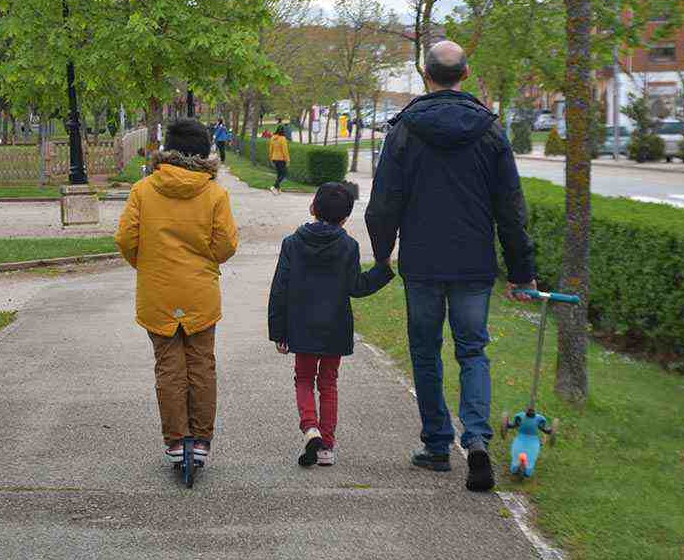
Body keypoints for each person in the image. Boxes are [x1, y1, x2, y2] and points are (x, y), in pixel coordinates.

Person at [365, 40, 537, 493]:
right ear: (465, 73)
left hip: (422, 261)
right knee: (472, 351)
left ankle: (438, 445)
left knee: (425, 351)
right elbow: (511, 208)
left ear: (426, 74)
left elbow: (383, 201)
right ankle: (476, 439)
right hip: (473, 261)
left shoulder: (404, 130)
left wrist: (383, 252)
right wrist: (521, 271)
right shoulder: (490, 132)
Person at [115, 118, 239, 468]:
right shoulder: (214, 193)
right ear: (204, 151)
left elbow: (126, 239)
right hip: (200, 293)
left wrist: (148, 263)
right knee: (202, 366)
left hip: (158, 293)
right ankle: (200, 439)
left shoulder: (144, 189)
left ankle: (174, 440)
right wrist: (204, 261)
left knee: (168, 368)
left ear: (167, 149)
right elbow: (226, 245)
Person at [269, 182, 394, 467]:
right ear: (346, 217)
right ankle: (326, 446)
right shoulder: (348, 246)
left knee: (303, 379)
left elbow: (280, 288)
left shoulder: (292, 243)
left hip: (301, 327)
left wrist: (278, 330)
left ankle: (309, 427)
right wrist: (382, 270)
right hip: (334, 327)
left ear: (313, 207)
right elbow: (356, 287)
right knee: (328, 383)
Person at [268, 125, 290, 195]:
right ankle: (274, 186)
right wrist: (287, 160)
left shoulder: (272, 138)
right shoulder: (283, 139)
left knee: (279, 174)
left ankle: (278, 190)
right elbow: (285, 151)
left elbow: (270, 149)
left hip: (274, 158)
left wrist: (270, 158)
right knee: (283, 174)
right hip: (281, 159)